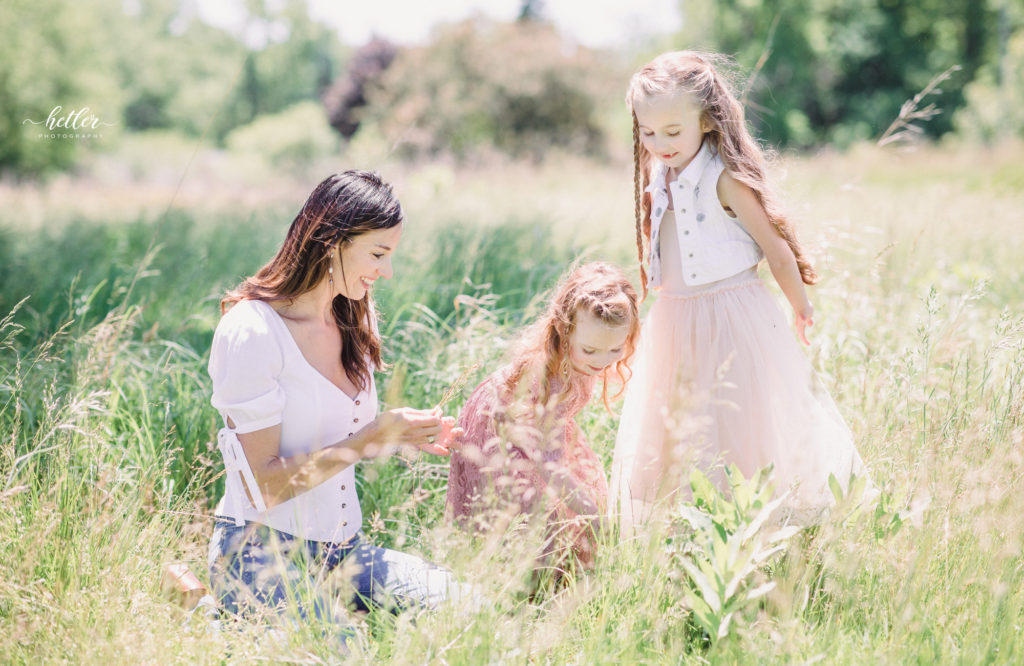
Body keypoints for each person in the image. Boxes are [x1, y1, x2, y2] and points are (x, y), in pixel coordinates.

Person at [206, 170, 471, 643]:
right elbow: (265, 485)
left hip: (343, 552)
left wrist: (403, 433)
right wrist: (368, 442)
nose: (386, 271)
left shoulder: (352, 310)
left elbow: (340, 429)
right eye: (378, 254)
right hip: (259, 555)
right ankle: (215, 611)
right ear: (331, 241)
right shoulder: (253, 330)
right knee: (343, 652)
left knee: (470, 611)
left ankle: (223, 618)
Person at [611, 51, 869, 531]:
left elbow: (775, 250)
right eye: (648, 132)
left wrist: (800, 304)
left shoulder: (723, 179)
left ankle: (758, 528)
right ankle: (689, 531)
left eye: (672, 131)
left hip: (732, 313)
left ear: (707, 121)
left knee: (739, 422)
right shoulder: (657, 177)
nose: (659, 143)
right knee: (679, 427)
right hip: (675, 318)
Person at [446, 262, 640, 577]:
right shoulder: (550, 380)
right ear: (564, 331)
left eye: (615, 349)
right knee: (529, 521)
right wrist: (593, 515)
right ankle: (519, 586)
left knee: (554, 512)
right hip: (501, 433)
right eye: (590, 350)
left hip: (534, 433)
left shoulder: (577, 361)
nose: (602, 362)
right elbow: (549, 468)